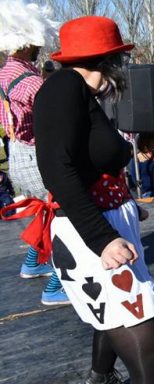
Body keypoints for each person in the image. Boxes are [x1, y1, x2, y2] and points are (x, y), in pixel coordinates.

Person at [33, 16, 154, 384]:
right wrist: (104, 237)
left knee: (141, 354)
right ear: (107, 58)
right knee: (150, 366)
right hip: (91, 238)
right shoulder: (63, 87)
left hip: (103, 227)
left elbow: (90, 164)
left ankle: (101, 379)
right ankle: (103, 379)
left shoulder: (82, 93)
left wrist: (124, 207)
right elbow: (56, 169)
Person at [0, 1, 65, 303]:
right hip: (33, 155)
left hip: (16, 154)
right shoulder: (28, 79)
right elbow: (53, 108)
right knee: (69, 212)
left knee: (44, 209)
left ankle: (33, 261)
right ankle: (59, 282)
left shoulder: (6, 72)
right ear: (27, 42)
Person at [128, 133, 154, 198]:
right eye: (153, 141)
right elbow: (134, 179)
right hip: (146, 192)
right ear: (145, 143)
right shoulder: (136, 159)